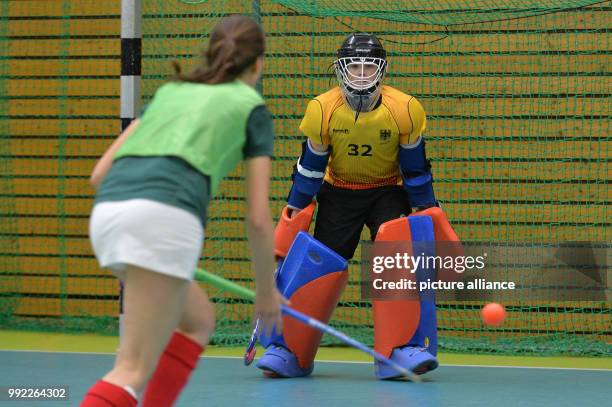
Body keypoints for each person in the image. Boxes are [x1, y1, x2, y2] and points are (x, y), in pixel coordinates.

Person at [81, 15, 284, 407]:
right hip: (163, 218)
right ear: (258, 64)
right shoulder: (251, 107)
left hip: (108, 214)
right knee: (131, 370)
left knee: (196, 322)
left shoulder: (172, 92)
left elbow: (98, 175)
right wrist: (265, 294)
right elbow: (259, 218)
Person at [256, 33, 440, 379]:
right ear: (341, 70)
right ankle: (291, 349)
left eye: (367, 67)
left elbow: (415, 169)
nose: (360, 74)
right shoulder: (322, 109)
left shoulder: (405, 109)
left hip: (387, 191)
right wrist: (294, 211)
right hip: (339, 192)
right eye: (353, 66)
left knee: (396, 252)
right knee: (318, 265)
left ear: (381, 71)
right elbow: (309, 169)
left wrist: (426, 209)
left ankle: (399, 350)